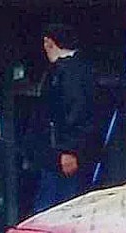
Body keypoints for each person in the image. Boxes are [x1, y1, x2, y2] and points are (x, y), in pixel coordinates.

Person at [33, 23, 95, 212]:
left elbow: (76, 110)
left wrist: (69, 150)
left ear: (48, 42)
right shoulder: (76, 69)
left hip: (62, 156)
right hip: (60, 154)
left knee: (58, 208)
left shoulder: (68, 72)